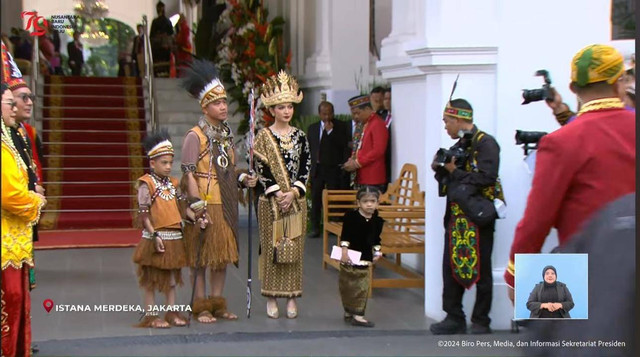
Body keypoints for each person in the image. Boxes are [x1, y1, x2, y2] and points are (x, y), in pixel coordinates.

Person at [504, 44, 636, 295]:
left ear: (574, 88)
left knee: (563, 331)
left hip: (584, 271)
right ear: (620, 82)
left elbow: (537, 220)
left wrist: (515, 273)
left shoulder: (560, 142)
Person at [180, 59, 257, 324]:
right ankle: (200, 306)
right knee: (200, 259)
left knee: (221, 257)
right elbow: (188, 172)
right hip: (204, 202)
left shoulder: (225, 135)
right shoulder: (195, 136)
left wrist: (243, 177)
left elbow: (230, 169)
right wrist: (196, 206)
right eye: (217, 103)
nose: (223, 107)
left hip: (224, 203)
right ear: (205, 106)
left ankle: (217, 303)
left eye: (224, 102)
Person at [430, 98, 501, 335]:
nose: (445, 126)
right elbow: (450, 180)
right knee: (450, 267)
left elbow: (486, 178)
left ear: (460, 119)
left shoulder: (486, 143)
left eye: (447, 121)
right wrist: (441, 170)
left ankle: (481, 320)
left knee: (482, 267)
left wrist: (455, 172)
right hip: (457, 218)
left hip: (478, 217)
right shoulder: (459, 145)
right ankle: (454, 316)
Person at [254, 70, 310, 319]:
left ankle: (291, 298)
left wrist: (295, 192)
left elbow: (306, 167)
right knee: (272, 249)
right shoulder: (263, 137)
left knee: (293, 250)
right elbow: (260, 168)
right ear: (272, 110)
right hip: (271, 202)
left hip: (296, 202)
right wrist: (278, 193)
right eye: (281, 107)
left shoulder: (301, 137)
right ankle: (271, 297)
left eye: (289, 107)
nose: (286, 111)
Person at [1, 81, 46, 357]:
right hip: (6, 236)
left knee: (19, 299)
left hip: (15, 237)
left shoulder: (15, 133)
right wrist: (35, 200)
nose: (19, 105)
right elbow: (9, 194)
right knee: (11, 299)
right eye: (12, 101)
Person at [133, 129, 190, 328]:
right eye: (163, 163)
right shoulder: (146, 184)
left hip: (174, 237)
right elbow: (144, 214)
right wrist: (154, 234)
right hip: (154, 236)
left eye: (170, 163)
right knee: (150, 277)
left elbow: (183, 209)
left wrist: (198, 217)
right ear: (152, 163)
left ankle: (171, 310)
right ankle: (151, 314)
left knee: (173, 277)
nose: (168, 167)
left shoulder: (174, 184)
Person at [338, 186, 384, 327]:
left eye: (373, 201)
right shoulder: (351, 217)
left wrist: (377, 252)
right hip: (350, 256)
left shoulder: (377, 221)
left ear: (377, 203)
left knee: (362, 286)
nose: (369, 204)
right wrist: (344, 250)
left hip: (364, 257)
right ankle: (349, 311)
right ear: (358, 203)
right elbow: (345, 235)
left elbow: (376, 239)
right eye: (365, 201)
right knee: (348, 285)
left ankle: (359, 315)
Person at [307, 101, 349, 238]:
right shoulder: (312, 128)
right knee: (316, 198)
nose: (327, 116)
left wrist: (330, 131)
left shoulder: (340, 126)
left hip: (332, 168)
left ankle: (334, 225)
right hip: (317, 168)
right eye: (324, 113)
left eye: (330, 113)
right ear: (319, 114)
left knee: (333, 198)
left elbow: (343, 145)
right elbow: (310, 148)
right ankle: (315, 227)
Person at [342, 95, 388, 192]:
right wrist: (352, 160)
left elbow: (378, 150)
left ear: (367, 109)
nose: (355, 117)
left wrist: (357, 163)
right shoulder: (364, 124)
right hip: (362, 176)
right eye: (353, 114)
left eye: (358, 113)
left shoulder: (377, 124)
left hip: (373, 177)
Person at [150, 1, 174, 77]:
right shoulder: (156, 21)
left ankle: (164, 72)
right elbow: (152, 34)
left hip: (163, 46)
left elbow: (171, 33)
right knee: (159, 60)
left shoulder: (166, 21)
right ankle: (160, 72)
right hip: (158, 46)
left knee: (164, 60)